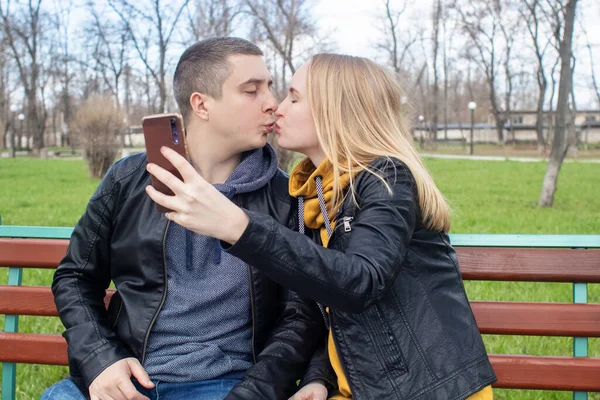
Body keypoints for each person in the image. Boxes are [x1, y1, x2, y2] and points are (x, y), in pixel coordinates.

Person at [145, 53, 498, 399]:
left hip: (425, 390)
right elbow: (317, 308)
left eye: (294, 98)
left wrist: (240, 227)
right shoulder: (313, 197)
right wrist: (319, 378)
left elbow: (361, 281)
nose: (277, 107)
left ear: (337, 112)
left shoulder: (386, 178)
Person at [41, 37, 328, 400]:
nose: (272, 104)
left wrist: (252, 394)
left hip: (226, 384)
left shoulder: (288, 199)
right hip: (126, 377)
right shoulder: (129, 180)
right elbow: (75, 277)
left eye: (269, 87)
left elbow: (300, 317)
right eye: (252, 90)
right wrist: (101, 359)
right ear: (201, 104)